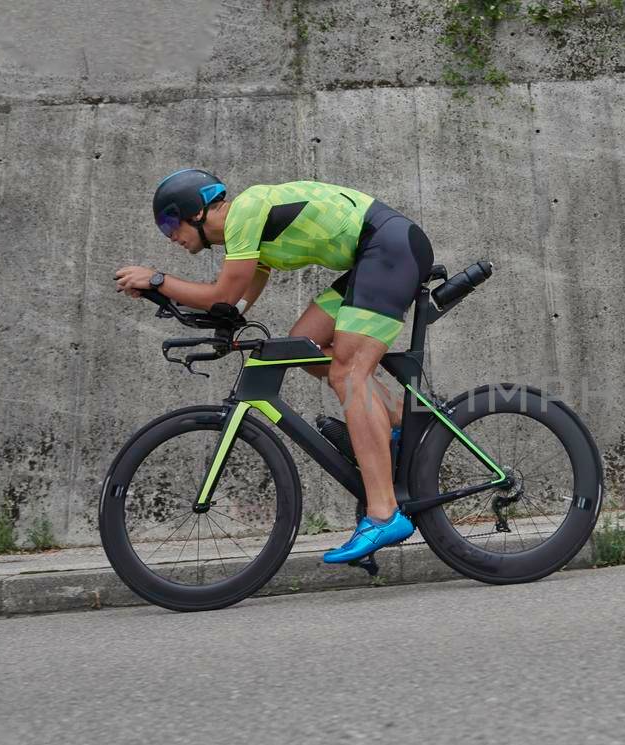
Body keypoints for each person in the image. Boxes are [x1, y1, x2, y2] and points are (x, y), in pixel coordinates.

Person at [114, 169, 434, 564]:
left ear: (195, 212)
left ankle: (384, 513)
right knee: (305, 346)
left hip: (389, 249)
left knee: (348, 372)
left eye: (169, 223)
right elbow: (232, 305)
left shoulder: (244, 211)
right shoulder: (248, 239)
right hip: (377, 255)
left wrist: (158, 279)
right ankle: (399, 423)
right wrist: (189, 312)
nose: (170, 237)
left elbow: (223, 292)